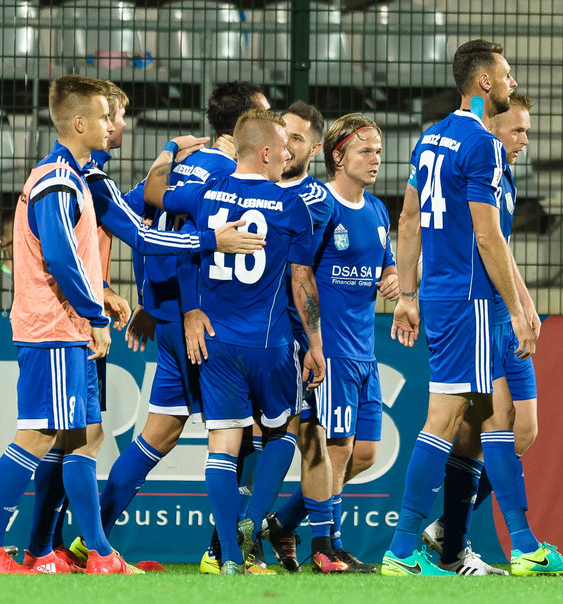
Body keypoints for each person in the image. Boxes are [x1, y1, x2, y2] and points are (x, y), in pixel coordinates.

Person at [386, 39, 563, 577]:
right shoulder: (481, 144)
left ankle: (523, 546)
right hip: (470, 299)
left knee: (499, 419)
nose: (514, 82)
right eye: (508, 74)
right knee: (446, 418)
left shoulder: (430, 140)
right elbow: (487, 234)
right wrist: (518, 308)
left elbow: (407, 219)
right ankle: (403, 549)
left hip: (445, 294)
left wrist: (408, 294)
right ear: (485, 83)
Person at [0, 75, 130, 575]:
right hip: (54, 328)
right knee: (38, 435)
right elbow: (60, 258)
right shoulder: (56, 179)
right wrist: (96, 315)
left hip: (64, 327)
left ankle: (97, 553)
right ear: (79, 123)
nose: (110, 125)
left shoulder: (73, 176)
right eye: (104, 116)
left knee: (80, 437)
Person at [107, 80, 272, 575]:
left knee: (158, 434)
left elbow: (141, 219)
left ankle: (90, 539)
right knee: (248, 433)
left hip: (169, 320)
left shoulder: (179, 166)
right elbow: (197, 246)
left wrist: (149, 299)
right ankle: (224, 551)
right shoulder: (228, 173)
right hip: (202, 324)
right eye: (265, 116)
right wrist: (186, 307)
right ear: (246, 126)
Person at [159, 109, 324, 575]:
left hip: (215, 340)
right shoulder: (292, 206)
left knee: (222, 446)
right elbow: (301, 280)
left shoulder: (206, 195)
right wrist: (315, 343)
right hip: (269, 341)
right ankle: (252, 522)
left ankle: (229, 556)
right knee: (285, 431)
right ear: (267, 151)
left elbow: (187, 252)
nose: (288, 153)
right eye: (283, 146)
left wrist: (191, 309)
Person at [262, 111, 398, 575]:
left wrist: (393, 280)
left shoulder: (377, 210)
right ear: (337, 156)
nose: (375, 159)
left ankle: (283, 522)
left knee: (364, 454)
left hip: (365, 351)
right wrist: (312, 343)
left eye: (378, 151)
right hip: (330, 349)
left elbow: (386, 264)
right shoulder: (322, 207)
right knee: (333, 447)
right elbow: (299, 274)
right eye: (365, 151)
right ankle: (328, 546)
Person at [421, 92, 539, 576]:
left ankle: (446, 529)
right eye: (517, 131)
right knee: (486, 425)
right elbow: (477, 240)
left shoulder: (502, 172)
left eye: (527, 131)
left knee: (523, 430)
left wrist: (526, 302)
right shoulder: (474, 156)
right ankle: (470, 539)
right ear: (493, 129)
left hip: (505, 307)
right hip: (479, 311)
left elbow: (502, 245)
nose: (524, 141)